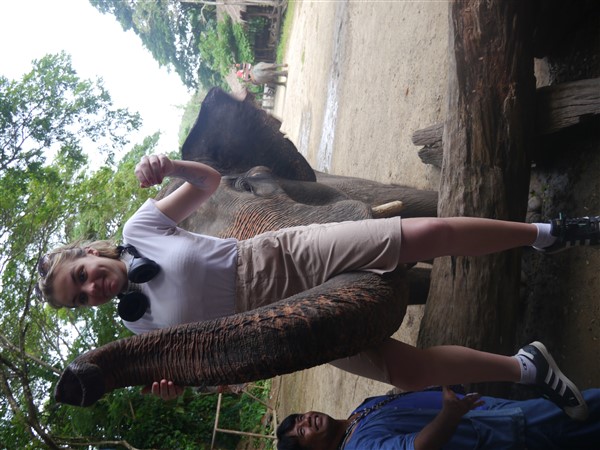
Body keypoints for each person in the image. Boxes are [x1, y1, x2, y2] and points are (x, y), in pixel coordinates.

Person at [35, 155, 600, 403]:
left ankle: (549, 232)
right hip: (276, 326)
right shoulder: (138, 332)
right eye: (79, 298)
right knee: (404, 372)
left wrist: (171, 168)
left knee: (423, 234)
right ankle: (526, 367)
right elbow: (204, 361)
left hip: (277, 260)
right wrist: (175, 385)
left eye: (81, 275)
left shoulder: (140, 226)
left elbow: (209, 183)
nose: (91, 288)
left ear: (88, 252)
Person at [278, 379, 600, 449]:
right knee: (580, 413)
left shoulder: (356, 414)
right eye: (302, 432)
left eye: (299, 418)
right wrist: (449, 413)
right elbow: (416, 448)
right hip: (497, 434)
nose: (306, 421)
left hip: (489, 414)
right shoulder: (359, 447)